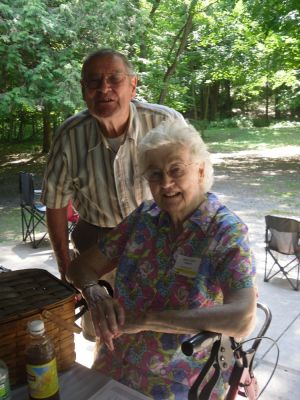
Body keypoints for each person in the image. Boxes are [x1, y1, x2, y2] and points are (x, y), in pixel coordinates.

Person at [66, 119, 256, 399]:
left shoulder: (225, 231)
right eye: (155, 175)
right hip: (115, 359)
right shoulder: (144, 218)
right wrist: (94, 293)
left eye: (176, 170)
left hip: (179, 375)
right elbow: (79, 268)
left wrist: (146, 319)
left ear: (200, 170)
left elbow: (242, 318)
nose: (165, 183)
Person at [41, 48, 185, 283]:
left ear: (133, 85)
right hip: (95, 249)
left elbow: (196, 188)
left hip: (162, 241)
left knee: (161, 317)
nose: (103, 88)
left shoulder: (166, 123)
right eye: (94, 81)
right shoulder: (69, 136)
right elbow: (55, 204)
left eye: (114, 79)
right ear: (83, 90)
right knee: (102, 318)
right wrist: (66, 269)